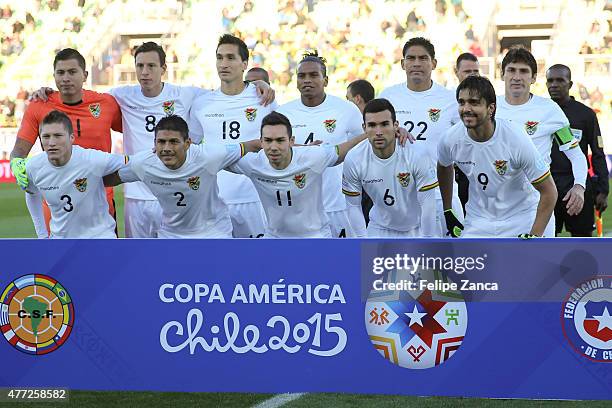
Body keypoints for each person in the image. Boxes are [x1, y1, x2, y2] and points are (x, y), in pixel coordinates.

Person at [29, 42, 275, 238]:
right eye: (140, 66)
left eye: (151, 66)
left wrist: (256, 83)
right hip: (137, 194)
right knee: (139, 261)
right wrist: (49, 93)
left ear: (163, 69)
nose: (145, 73)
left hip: (173, 189)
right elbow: (80, 95)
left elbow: (227, 93)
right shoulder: (121, 96)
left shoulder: (186, 94)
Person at [10, 48, 122, 236]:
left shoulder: (106, 104)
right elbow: (19, 151)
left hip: (100, 205)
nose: (66, 78)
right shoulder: (39, 105)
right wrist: (16, 163)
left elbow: (135, 129)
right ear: (53, 76)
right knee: (57, 264)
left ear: (85, 75)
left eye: (72, 72)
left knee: (104, 265)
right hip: (56, 208)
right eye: (60, 73)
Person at [437, 76, 557, 238]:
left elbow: (549, 191)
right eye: (461, 102)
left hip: (522, 218)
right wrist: (448, 209)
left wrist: (535, 237)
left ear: (491, 108)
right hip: (479, 221)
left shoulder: (515, 138)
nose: (466, 108)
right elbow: (444, 166)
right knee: (467, 263)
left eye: (474, 102)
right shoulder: (450, 139)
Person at [104, 115, 261, 238]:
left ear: (188, 143)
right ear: (154, 144)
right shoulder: (144, 163)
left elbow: (250, 145)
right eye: (161, 142)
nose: (166, 148)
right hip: (171, 234)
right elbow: (110, 179)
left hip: (214, 232)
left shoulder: (207, 156)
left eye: (173, 142)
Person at [189, 35, 277, 238]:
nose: (223, 64)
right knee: (219, 266)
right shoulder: (202, 103)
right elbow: (191, 149)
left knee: (258, 265)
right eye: (219, 58)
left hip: (256, 197)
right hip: (214, 199)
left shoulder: (263, 98)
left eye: (230, 58)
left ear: (244, 63)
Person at [228, 111, 368, 238]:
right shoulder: (253, 164)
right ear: (261, 142)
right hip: (275, 238)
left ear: (291, 141)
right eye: (268, 140)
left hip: (315, 237)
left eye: (280, 140)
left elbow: (346, 148)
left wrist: (371, 134)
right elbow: (216, 158)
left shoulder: (312, 157)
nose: (274, 147)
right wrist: (248, 145)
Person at [495, 46, 588, 236]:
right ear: (502, 74)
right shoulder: (490, 107)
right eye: (511, 70)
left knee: (540, 265)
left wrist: (579, 186)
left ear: (534, 78)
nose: (517, 77)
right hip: (494, 209)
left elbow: (576, 154)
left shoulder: (549, 110)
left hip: (536, 209)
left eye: (524, 71)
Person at [379, 37, 464, 232]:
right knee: (405, 259)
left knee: (448, 257)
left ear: (433, 63)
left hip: (441, 193)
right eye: (411, 58)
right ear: (402, 63)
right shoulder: (388, 96)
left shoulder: (451, 99)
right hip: (401, 193)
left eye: (423, 58)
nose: (416, 63)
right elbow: (372, 137)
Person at [277, 51, 364, 238]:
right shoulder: (284, 113)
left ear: (325, 80)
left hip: (338, 206)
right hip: (298, 209)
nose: (307, 80)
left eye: (313, 75)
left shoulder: (346, 110)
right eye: (302, 76)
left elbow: (365, 147)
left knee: (343, 265)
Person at [342, 98, 440, 237]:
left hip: (417, 228)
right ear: (364, 128)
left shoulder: (417, 153)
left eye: (384, 124)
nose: (378, 131)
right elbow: (353, 206)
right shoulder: (354, 158)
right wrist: (361, 241)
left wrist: (427, 240)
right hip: (379, 228)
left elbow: (428, 205)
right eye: (372, 125)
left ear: (395, 126)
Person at [23, 110, 126, 238]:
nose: (51, 142)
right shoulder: (33, 166)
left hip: (99, 239)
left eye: (58, 135)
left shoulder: (92, 159)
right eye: (46, 136)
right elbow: (31, 194)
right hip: (61, 241)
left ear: (71, 138)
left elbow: (129, 163)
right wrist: (42, 235)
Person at [546, 64, 608, 236]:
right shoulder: (540, 113)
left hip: (578, 185)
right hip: (547, 185)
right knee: (545, 240)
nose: (554, 85)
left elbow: (597, 152)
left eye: (560, 80)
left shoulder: (586, 114)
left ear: (570, 84)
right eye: (550, 80)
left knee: (583, 240)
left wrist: (603, 189)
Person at [346, 78, 376, 224]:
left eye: (348, 98)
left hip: (365, 180)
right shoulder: (381, 117)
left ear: (357, 99)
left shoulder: (356, 119)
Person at [453, 52, 480, 213]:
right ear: (456, 72)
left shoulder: (489, 100)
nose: (472, 75)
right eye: (467, 71)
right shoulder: (447, 100)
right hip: (457, 170)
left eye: (475, 71)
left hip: (481, 165)